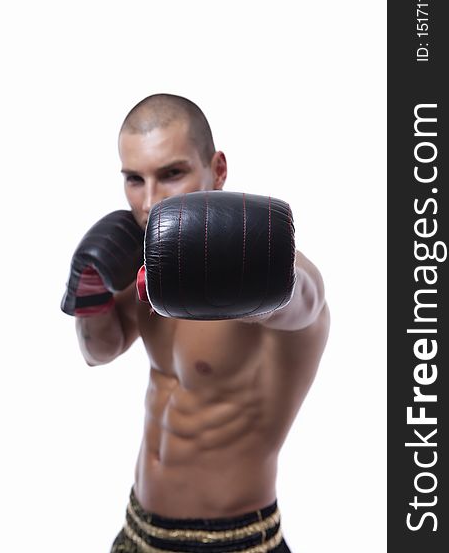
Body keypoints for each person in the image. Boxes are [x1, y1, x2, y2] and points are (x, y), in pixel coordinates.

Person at [61, 94, 330, 552]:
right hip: (138, 530)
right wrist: (92, 295)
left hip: (236, 541)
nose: (148, 202)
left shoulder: (264, 266)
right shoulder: (147, 263)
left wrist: (243, 277)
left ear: (218, 170)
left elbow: (306, 301)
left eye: (171, 174)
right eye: (133, 179)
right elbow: (98, 352)